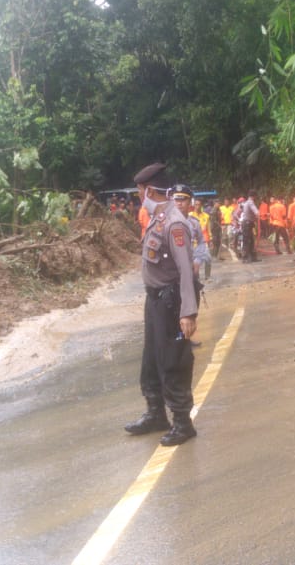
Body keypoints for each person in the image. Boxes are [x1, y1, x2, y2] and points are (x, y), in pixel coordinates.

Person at [123, 163, 199, 446]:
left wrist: (188, 312)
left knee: (173, 361)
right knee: (152, 359)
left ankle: (182, 422)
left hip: (171, 303)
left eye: (141, 191)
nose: (139, 196)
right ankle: (156, 414)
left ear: (150, 190)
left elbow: (185, 270)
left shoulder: (175, 223)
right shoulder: (157, 218)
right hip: (154, 301)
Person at [177, 189, 213, 281]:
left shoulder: (205, 217)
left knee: (208, 258)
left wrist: (211, 240)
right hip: (190, 247)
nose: (197, 206)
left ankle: (207, 276)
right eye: (196, 204)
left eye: (198, 204)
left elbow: (208, 229)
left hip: (202, 241)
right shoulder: (190, 215)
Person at [240, 191, 260, 262]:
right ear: (253, 196)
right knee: (247, 241)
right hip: (247, 224)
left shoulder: (245, 203)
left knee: (251, 241)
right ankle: (245, 258)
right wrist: (258, 213)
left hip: (247, 224)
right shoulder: (250, 202)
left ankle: (253, 257)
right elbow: (256, 211)